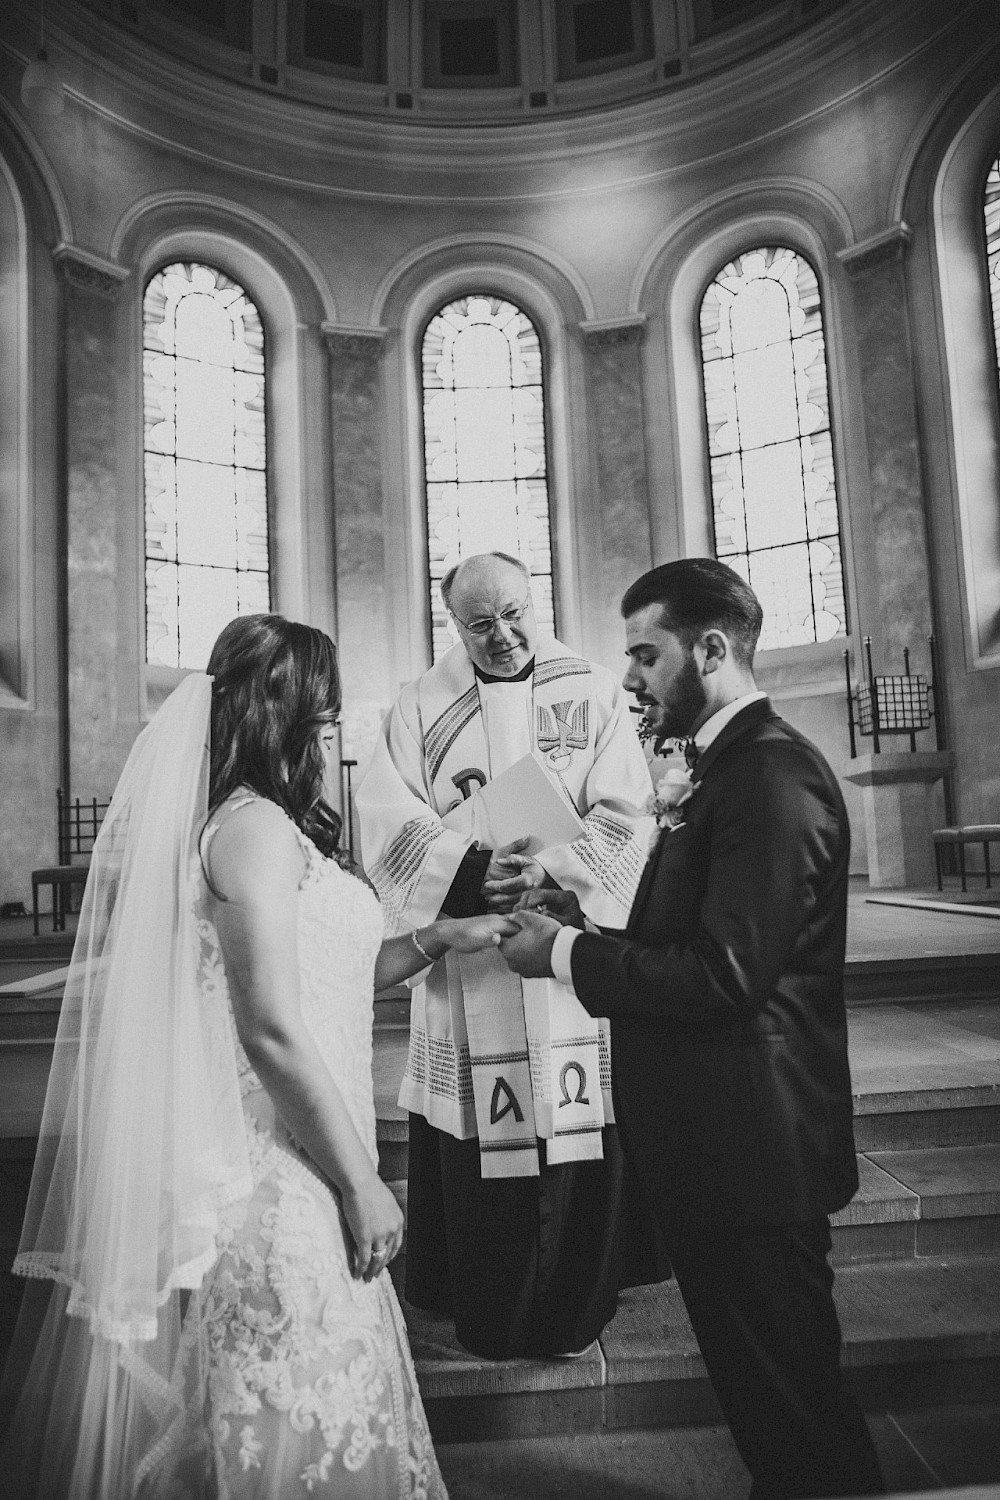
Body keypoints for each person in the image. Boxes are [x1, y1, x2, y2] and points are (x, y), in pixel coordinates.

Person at [1, 613, 513, 1499]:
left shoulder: (271, 826)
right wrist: (361, 1181)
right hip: (281, 1173)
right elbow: (271, 1025)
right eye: (322, 712)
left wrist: (437, 936)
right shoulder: (253, 832)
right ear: (279, 712)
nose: (330, 731)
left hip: (311, 1148)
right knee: (294, 1421)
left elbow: (336, 970)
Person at [500, 558, 886, 1498]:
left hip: (754, 1152)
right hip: (721, 1146)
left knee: (794, 1408)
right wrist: (577, 913)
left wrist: (561, 956)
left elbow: (725, 976)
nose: (627, 677)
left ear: (711, 649)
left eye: (645, 653)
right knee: (768, 1403)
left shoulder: (769, 776)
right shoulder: (719, 768)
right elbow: (691, 932)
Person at [356, 552, 665, 1359]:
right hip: (471, 963)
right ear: (452, 625)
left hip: (565, 956)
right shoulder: (421, 703)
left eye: (516, 612)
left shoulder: (591, 687)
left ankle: (574, 1303)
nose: (504, 634)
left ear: (539, 603)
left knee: (576, 1121)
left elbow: (629, 810)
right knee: (480, 1129)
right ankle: (481, 1297)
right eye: (481, 622)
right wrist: (468, 871)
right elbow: (386, 817)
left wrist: (555, 872)